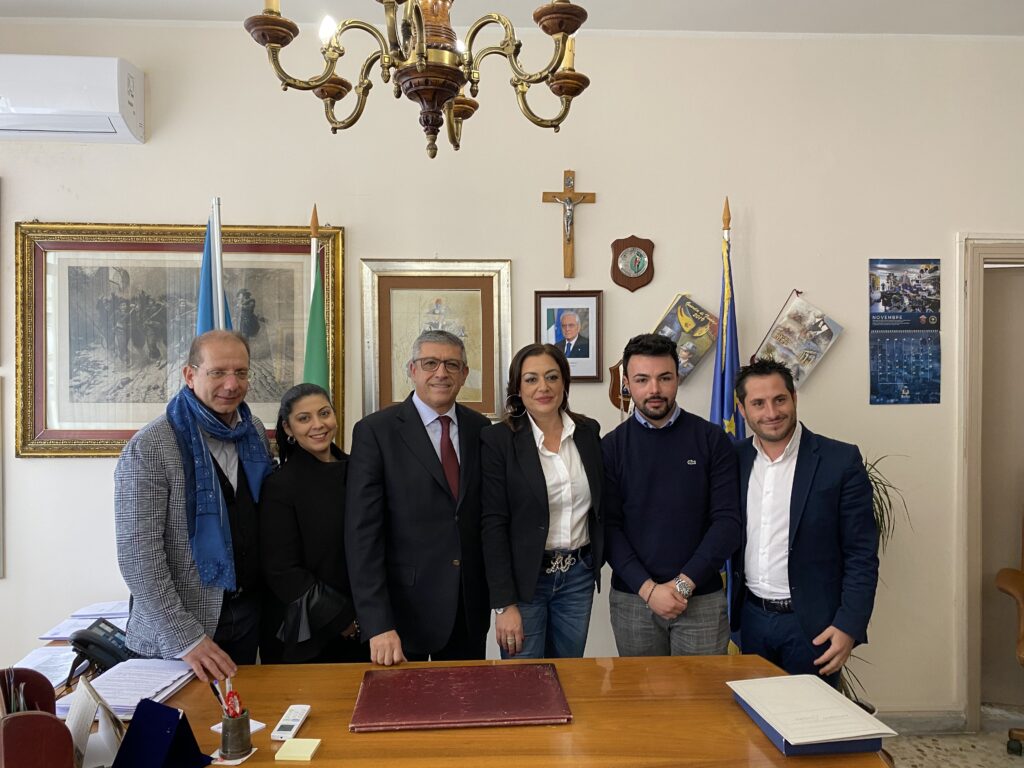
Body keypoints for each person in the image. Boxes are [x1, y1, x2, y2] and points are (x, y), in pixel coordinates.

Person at [115, 330, 273, 682]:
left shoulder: (253, 431)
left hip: (247, 620)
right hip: (179, 641)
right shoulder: (150, 446)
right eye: (218, 372)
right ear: (190, 375)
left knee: (243, 717)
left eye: (241, 372)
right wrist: (186, 638)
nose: (232, 384)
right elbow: (138, 558)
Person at [346, 329, 491, 665]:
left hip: (467, 610)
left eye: (451, 365)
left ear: (464, 374)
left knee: (465, 696)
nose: (441, 373)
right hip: (401, 615)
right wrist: (377, 623)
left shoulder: (481, 429)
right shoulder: (375, 432)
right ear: (412, 370)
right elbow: (362, 536)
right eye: (430, 363)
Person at [731, 359, 878, 686]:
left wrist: (849, 626)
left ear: (794, 398)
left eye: (779, 399)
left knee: (812, 717)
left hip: (813, 626)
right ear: (742, 410)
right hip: (751, 621)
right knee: (753, 714)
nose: (771, 412)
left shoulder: (840, 461)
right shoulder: (733, 460)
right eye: (758, 403)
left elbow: (861, 553)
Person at [603, 333, 741, 656]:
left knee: (702, 690)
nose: (654, 389)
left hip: (701, 599)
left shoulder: (712, 440)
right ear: (627, 384)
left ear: (677, 378)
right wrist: (650, 591)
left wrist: (682, 586)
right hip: (634, 600)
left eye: (664, 378)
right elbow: (607, 528)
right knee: (643, 691)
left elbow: (728, 523)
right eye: (642, 379)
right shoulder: (610, 447)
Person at [481, 344, 604, 659]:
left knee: (569, 673)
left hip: (577, 577)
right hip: (525, 583)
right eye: (531, 379)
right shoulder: (498, 440)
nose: (543, 387)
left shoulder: (588, 432)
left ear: (564, 382)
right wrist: (504, 604)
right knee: (524, 679)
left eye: (552, 377)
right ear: (517, 388)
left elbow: (600, 507)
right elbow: (493, 525)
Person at [258, 383, 368, 664]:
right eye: (304, 418)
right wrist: (345, 620)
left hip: (369, 625)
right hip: (309, 637)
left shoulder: (361, 471)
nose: (318, 425)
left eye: (324, 413)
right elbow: (283, 570)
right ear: (288, 428)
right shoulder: (280, 486)